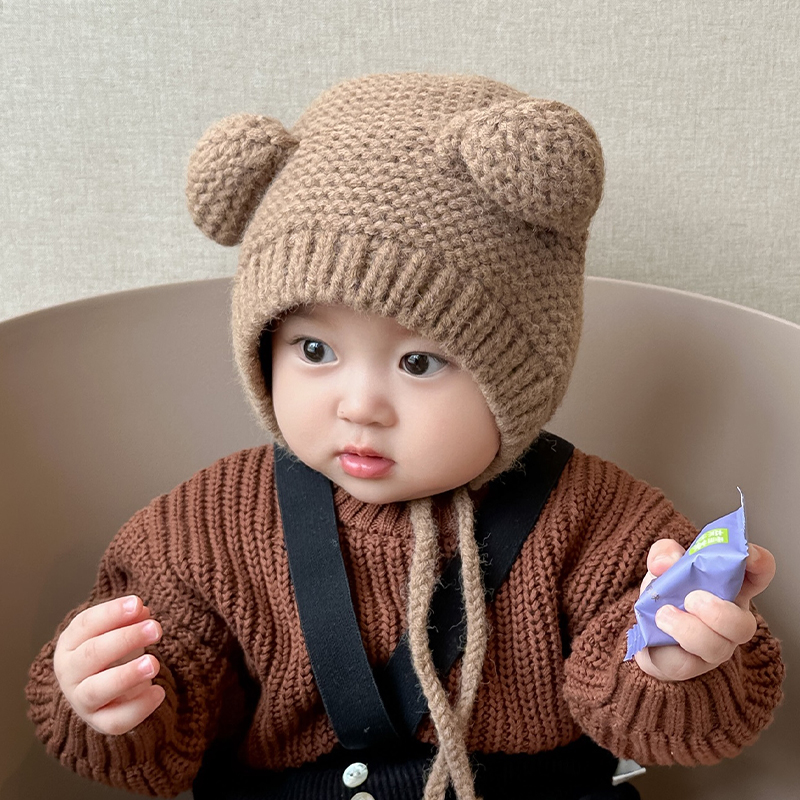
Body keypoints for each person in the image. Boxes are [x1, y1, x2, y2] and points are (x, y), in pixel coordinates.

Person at [26, 73, 784, 800]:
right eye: (314, 350)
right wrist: (111, 698)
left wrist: (672, 663)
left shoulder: (601, 526)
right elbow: (168, 717)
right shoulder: (207, 525)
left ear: (518, 372)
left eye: (419, 362)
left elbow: (660, 724)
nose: (359, 406)